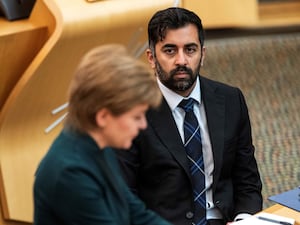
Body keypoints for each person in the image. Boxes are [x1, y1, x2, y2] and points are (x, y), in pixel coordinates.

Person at [116, 7, 263, 225]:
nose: (181, 60)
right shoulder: (130, 110)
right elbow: (124, 197)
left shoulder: (231, 99)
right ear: (151, 57)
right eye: (170, 51)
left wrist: (244, 220)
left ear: (202, 54)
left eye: (190, 50)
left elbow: (247, 180)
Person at [33, 44, 173, 225]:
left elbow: (137, 214)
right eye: (136, 117)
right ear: (103, 116)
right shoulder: (70, 173)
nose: (143, 125)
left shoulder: (100, 147)